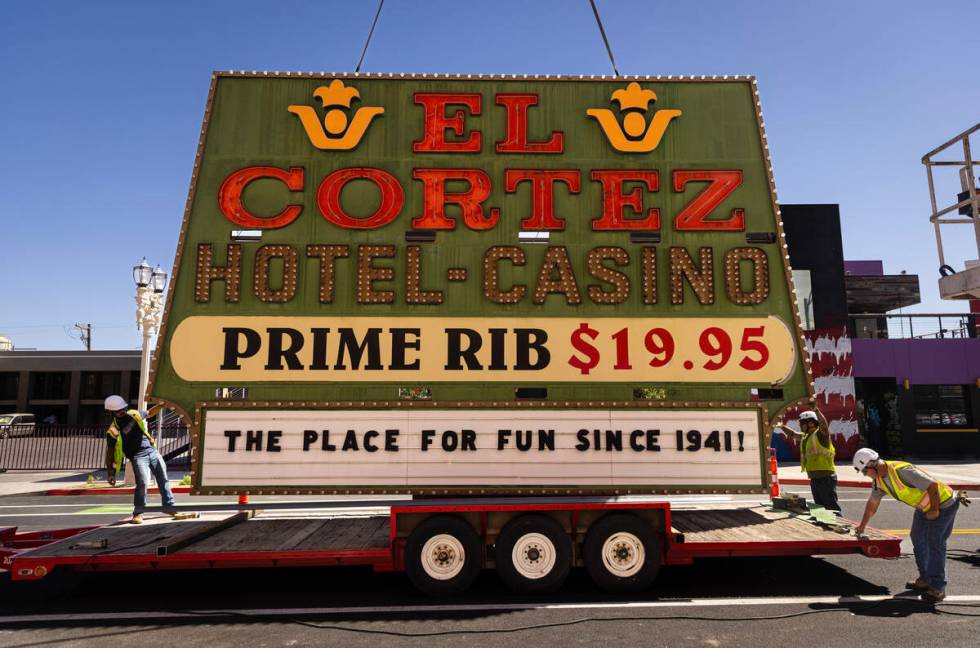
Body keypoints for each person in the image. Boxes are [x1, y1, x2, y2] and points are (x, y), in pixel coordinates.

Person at [853, 448, 959, 602]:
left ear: (872, 465)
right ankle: (925, 578)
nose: (864, 475)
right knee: (917, 537)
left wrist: (935, 509)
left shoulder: (902, 471)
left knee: (934, 542)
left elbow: (933, 486)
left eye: (864, 471)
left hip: (943, 503)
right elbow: (872, 504)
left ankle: (937, 587)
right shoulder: (879, 481)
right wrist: (862, 526)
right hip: (924, 506)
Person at [104, 395, 176, 524]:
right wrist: (111, 473)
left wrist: (160, 405)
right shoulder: (113, 430)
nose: (121, 412)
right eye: (118, 411)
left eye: (122, 409)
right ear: (110, 412)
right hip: (138, 456)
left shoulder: (134, 414)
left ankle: (169, 506)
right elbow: (110, 453)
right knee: (142, 483)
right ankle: (138, 512)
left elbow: (149, 413)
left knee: (163, 478)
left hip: (152, 451)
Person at [775, 409, 840, 512]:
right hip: (815, 479)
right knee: (820, 509)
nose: (800, 426)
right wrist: (782, 426)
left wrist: (817, 411)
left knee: (831, 508)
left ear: (810, 423)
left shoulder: (821, 435)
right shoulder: (806, 437)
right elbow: (793, 434)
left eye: (802, 423)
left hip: (826, 479)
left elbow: (824, 425)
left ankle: (840, 525)